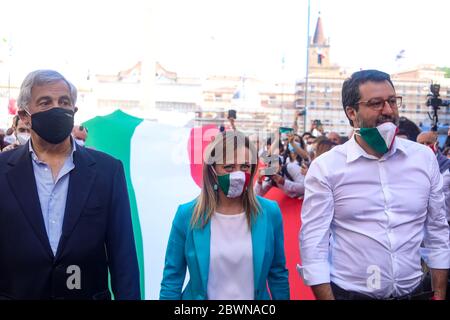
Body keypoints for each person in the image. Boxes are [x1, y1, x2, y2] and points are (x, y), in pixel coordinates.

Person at [298, 69, 450, 300]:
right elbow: (313, 243)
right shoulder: (327, 167)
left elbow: (437, 231)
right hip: (352, 294)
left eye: (392, 101)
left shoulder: (423, 159)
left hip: (416, 292)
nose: (388, 111)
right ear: (351, 112)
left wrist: (438, 294)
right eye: (376, 103)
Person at [0, 70, 140, 299]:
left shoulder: (108, 171)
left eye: (63, 102)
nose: (57, 108)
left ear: (74, 111)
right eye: (45, 102)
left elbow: (122, 256)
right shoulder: (3, 171)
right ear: (25, 116)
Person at [160, 130, 289, 300]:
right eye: (228, 167)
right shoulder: (187, 215)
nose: (238, 174)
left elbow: (278, 273)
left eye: (244, 166)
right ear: (213, 170)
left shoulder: (269, 212)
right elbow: (172, 279)